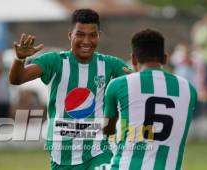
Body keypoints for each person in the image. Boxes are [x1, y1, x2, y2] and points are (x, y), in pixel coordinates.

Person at [9, 8, 129, 169]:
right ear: (69, 35)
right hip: (63, 149)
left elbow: (138, 83)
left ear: (99, 36)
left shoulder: (110, 64)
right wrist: (19, 58)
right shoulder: (54, 61)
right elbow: (17, 79)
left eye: (92, 35)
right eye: (80, 34)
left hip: (99, 146)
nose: (86, 41)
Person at [103, 29, 197, 170]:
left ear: (134, 59)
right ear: (165, 58)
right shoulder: (189, 89)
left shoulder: (119, 84)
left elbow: (107, 130)